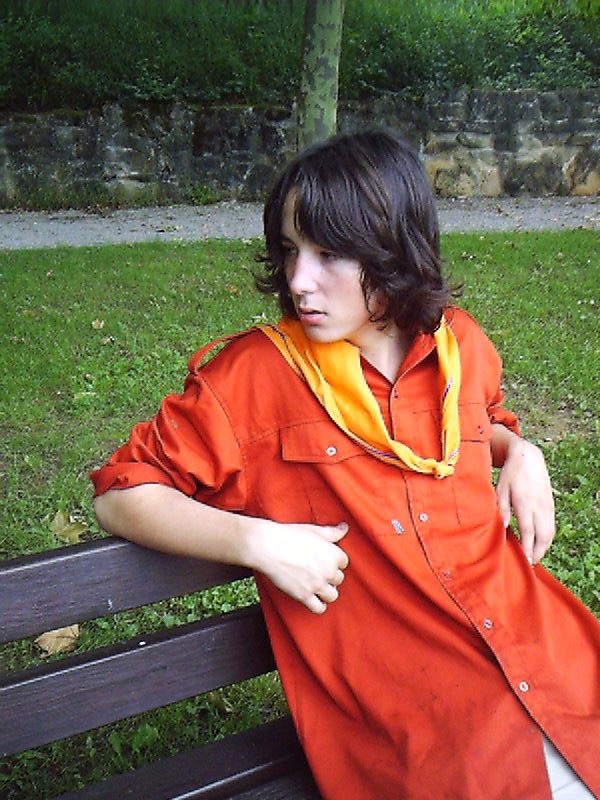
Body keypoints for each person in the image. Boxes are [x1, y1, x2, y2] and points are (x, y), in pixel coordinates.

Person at [91, 131, 599, 799]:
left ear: (394, 247)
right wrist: (257, 542)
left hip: (556, 663)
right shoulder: (255, 378)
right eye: (290, 250)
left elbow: (481, 422)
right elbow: (121, 492)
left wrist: (519, 450)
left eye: (328, 253)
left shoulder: (460, 344)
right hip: (431, 729)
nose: (299, 280)